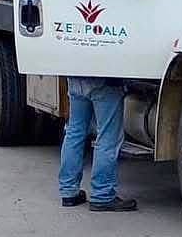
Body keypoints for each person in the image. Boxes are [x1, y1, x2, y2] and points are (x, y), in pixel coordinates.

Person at [59, 77, 138, 212]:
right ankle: (102, 195)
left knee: (75, 132)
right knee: (107, 136)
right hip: (104, 80)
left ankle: (69, 191)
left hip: (76, 76)